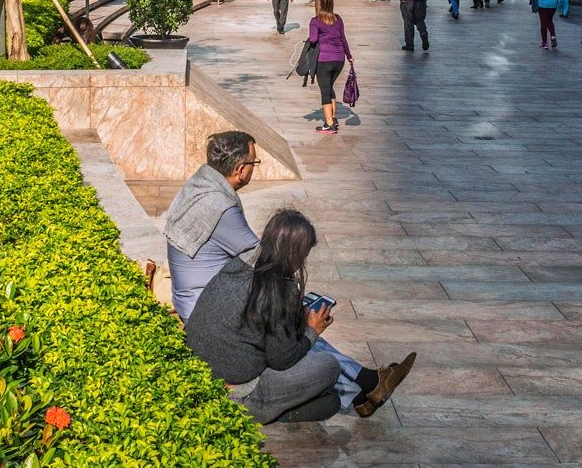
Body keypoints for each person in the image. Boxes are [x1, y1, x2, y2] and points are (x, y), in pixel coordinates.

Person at [183, 209, 415, 422]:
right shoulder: (274, 292)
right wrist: (311, 332)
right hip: (238, 395)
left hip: (200, 380)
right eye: (303, 256)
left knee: (305, 336)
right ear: (294, 254)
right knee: (327, 366)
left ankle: (365, 390)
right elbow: (281, 359)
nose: (301, 263)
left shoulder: (239, 264)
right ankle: (365, 388)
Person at [166, 131, 262, 318]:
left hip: (186, 300)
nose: (254, 168)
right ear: (241, 169)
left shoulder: (198, 184)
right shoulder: (221, 207)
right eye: (254, 163)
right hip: (204, 312)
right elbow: (259, 259)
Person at [310, 0, 353, 134]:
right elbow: (343, 39)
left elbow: (313, 39)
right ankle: (333, 118)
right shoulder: (338, 19)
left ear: (318, 3)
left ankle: (329, 125)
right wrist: (349, 56)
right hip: (339, 60)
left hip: (324, 60)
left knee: (325, 91)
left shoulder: (315, 21)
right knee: (329, 87)